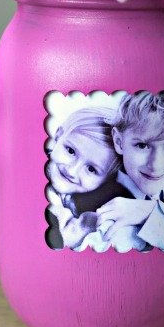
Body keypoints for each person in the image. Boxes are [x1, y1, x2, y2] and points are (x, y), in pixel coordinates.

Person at [97, 91, 164, 251]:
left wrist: (147, 211)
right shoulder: (96, 198)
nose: (156, 165)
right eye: (142, 145)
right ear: (119, 141)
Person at [45, 107, 122, 250]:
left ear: (105, 181)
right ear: (58, 136)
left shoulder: (86, 207)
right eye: (70, 151)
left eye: (92, 169)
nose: (72, 171)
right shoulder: (33, 175)